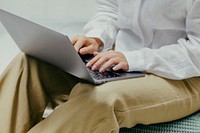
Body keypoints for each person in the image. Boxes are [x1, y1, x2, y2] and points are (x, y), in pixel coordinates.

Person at [1, 0, 200, 133]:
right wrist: (96, 38)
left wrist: (133, 59)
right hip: (119, 60)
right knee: (30, 61)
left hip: (183, 75)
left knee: (100, 100)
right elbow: (110, 8)